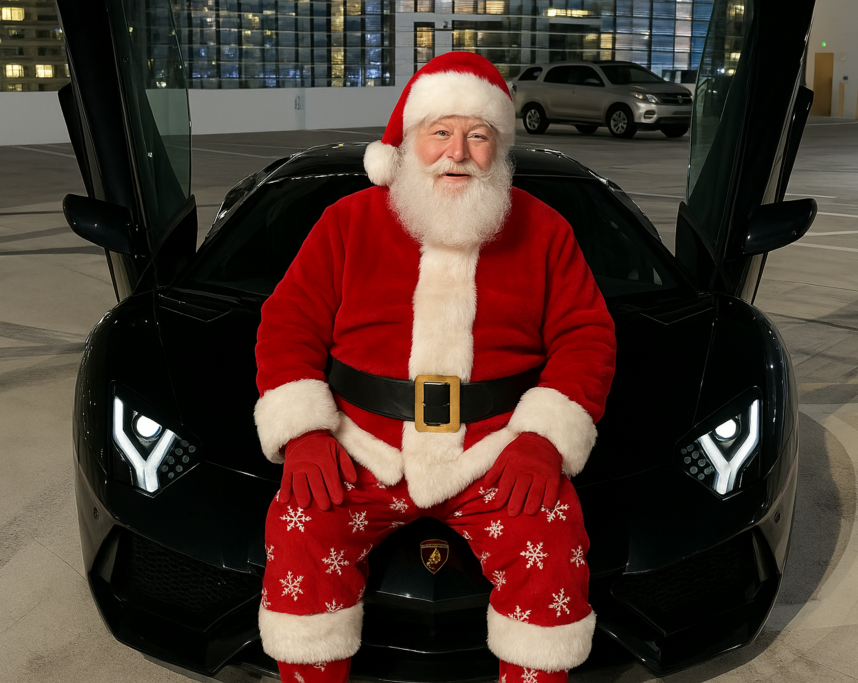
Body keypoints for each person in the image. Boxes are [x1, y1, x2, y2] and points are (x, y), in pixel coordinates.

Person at [253, 51, 616, 683]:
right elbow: (289, 324)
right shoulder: (346, 223)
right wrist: (305, 432)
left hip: (493, 449)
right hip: (364, 443)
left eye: (478, 136)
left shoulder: (544, 230)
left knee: (552, 544)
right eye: (440, 132)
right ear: (407, 143)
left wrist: (543, 440)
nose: (458, 152)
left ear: (498, 149)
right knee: (300, 528)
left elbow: (586, 335)